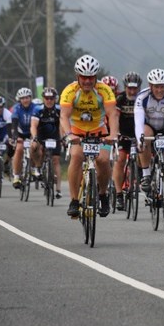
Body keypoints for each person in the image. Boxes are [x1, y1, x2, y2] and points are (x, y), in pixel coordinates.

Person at [60, 54, 119, 219]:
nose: (87, 81)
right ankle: (73, 200)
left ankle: (103, 194)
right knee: (77, 156)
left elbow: (112, 114)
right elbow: (64, 116)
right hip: (77, 131)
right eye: (84, 77)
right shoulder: (70, 91)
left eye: (91, 78)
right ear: (77, 76)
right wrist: (69, 134)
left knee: (103, 160)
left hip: (100, 131)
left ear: (96, 77)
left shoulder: (104, 90)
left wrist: (113, 134)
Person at [134, 68, 164, 222]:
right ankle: (146, 175)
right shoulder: (142, 97)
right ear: (150, 86)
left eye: (162, 86)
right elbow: (138, 120)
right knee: (144, 136)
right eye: (156, 86)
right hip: (149, 127)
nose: (159, 90)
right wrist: (139, 138)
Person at [113, 71, 142, 210]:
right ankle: (119, 194)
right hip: (123, 133)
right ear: (125, 87)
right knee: (120, 160)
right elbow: (116, 117)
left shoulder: (142, 98)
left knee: (144, 154)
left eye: (134, 88)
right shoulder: (120, 99)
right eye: (129, 88)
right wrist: (116, 133)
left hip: (138, 133)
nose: (132, 90)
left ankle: (142, 177)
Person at [30, 87, 63, 199]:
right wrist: (34, 137)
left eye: (51, 98)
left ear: (55, 99)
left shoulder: (59, 110)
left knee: (56, 160)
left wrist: (63, 138)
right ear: (43, 99)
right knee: (34, 146)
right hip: (41, 136)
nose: (49, 100)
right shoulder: (38, 110)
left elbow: (62, 125)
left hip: (55, 136)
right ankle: (38, 167)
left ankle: (58, 189)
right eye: (46, 98)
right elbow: (33, 125)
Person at [11, 87, 37, 188]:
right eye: (22, 98)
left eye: (27, 98)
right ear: (19, 100)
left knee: (35, 147)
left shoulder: (36, 107)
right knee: (19, 149)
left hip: (32, 132)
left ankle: (34, 169)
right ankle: (16, 176)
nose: (25, 100)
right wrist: (15, 137)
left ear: (30, 98)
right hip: (20, 132)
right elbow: (14, 124)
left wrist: (35, 137)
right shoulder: (16, 108)